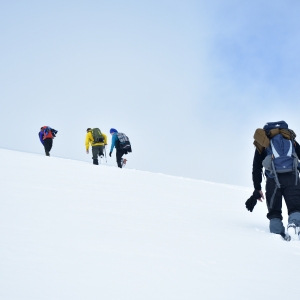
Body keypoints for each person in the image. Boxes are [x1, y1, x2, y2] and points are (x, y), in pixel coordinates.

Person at [246, 121, 300, 241]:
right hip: (292, 178)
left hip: (272, 181)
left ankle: (278, 236)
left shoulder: (264, 142)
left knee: (274, 212)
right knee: (295, 208)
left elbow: (256, 167)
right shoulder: (290, 139)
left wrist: (257, 188)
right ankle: (294, 227)